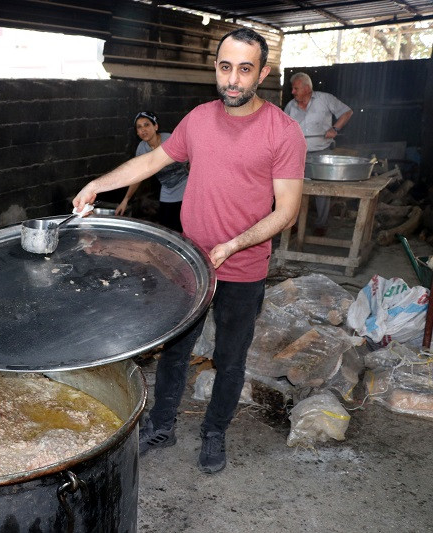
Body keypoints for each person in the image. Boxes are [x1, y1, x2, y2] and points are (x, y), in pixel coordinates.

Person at [72, 27, 306, 474]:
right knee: (176, 351)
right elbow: (150, 161)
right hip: (190, 264)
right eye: (225, 68)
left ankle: (215, 432)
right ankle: (162, 424)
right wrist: (97, 185)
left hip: (243, 267)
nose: (233, 80)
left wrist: (235, 244)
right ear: (215, 69)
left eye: (244, 70)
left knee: (230, 359)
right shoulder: (198, 120)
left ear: (263, 73)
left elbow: (288, 210)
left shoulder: (284, 132)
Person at [284, 72, 353, 236]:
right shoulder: (290, 106)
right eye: (292, 88)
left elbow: (347, 112)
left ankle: (321, 224)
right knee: (295, 189)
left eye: (296, 88)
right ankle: (293, 222)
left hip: (321, 153)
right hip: (297, 155)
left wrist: (335, 128)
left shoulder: (325, 99)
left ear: (307, 88)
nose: (293, 92)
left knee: (321, 190)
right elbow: (283, 128)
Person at [115, 111, 188, 232]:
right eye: (139, 127)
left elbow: (190, 157)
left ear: (156, 126)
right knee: (167, 229)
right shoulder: (142, 148)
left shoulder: (169, 139)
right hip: (168, 191)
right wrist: (125, 200)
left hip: (186, 187)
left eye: (147, 125)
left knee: (185, 226)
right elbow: (137, 176)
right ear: (137, 133)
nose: (143, 129)